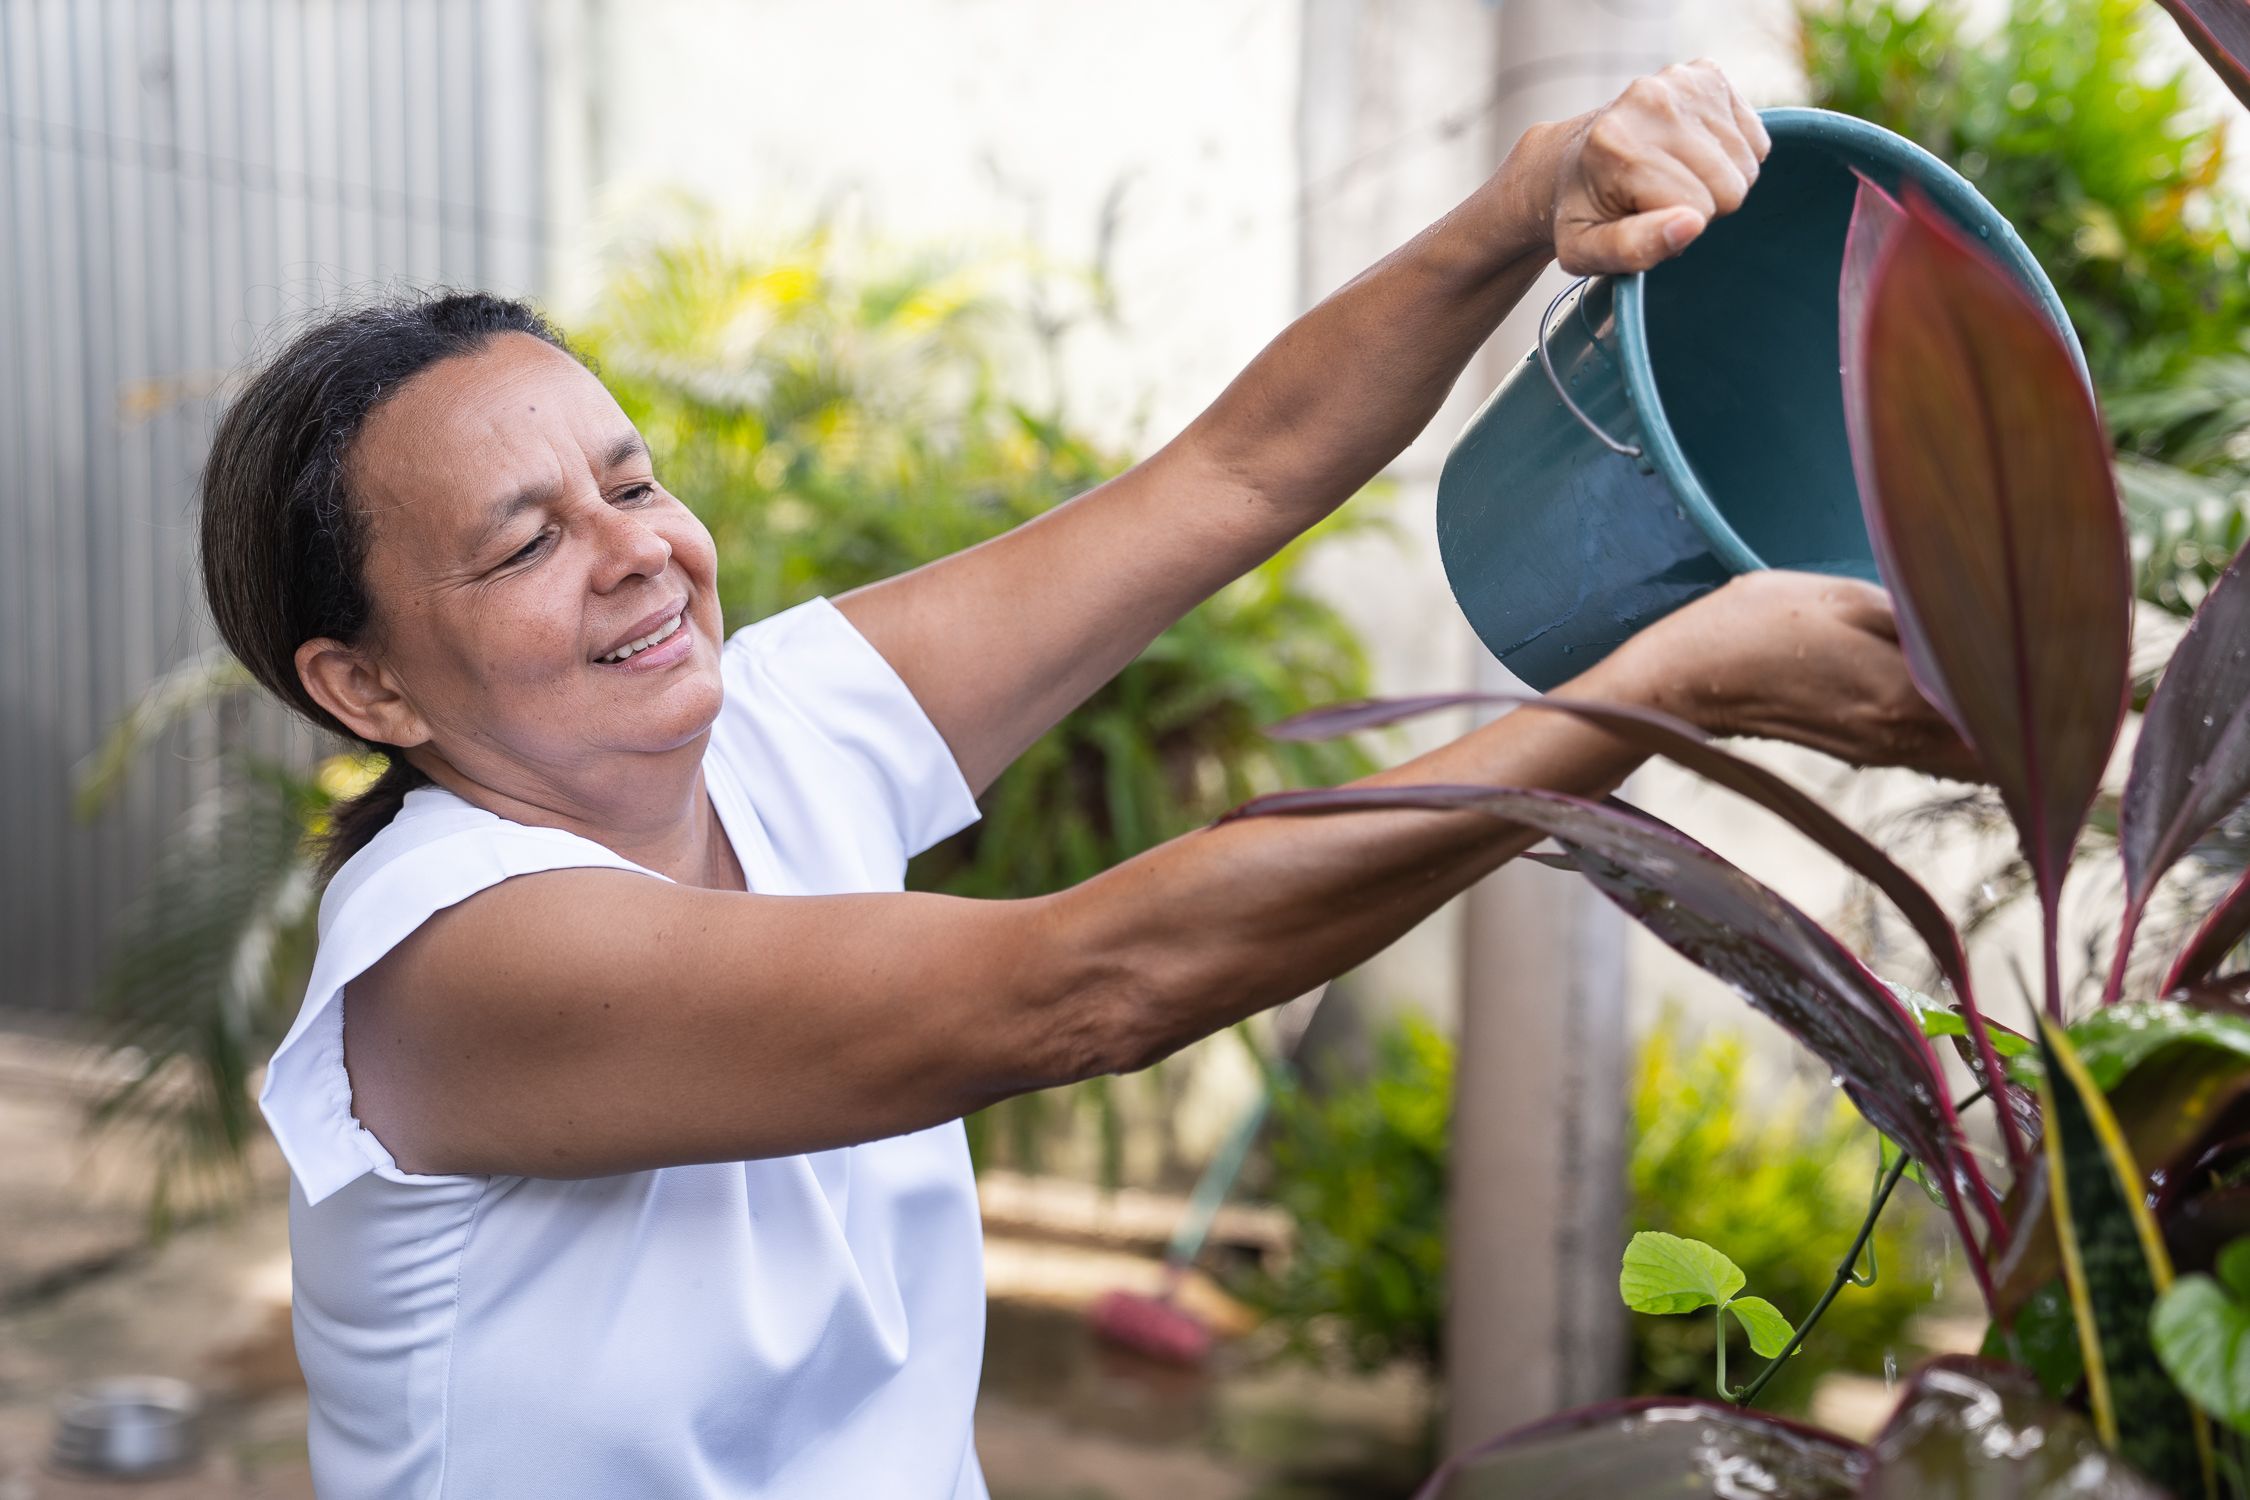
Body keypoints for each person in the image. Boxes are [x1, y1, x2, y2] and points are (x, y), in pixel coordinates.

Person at [202, 62, 1962, 1499]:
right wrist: (1664, 685)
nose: (639, 554)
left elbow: (1231, 476)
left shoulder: (777, 723)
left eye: (632, 479)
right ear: (363, 684)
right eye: (523, 545)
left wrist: (1520, 204)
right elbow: (1089, 985)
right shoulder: (452, 962)